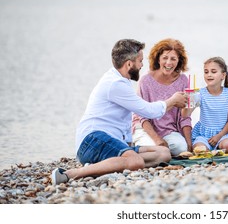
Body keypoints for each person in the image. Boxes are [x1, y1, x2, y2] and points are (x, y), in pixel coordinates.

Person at [51, 39, 188, 185]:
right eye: (140, 61)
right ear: (129, 64)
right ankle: (70, 174)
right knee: (135, 162)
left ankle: (110, 164)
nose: (142, 65)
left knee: (163, 154)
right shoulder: (115, 84)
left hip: (111, 142)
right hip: (92, 140)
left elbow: (125, 121)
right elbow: (147, 110)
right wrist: (173, 100)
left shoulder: (122, 80)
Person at [132, 38, 192, 156]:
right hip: (145, 128)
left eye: (173, 59)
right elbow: (142, 117)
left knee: (181, 148)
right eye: (165, 58)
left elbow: (184, 117)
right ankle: (135, 146)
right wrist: (158, 140)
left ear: (179, 61)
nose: (168, 63)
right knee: (156, 150)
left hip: (168, 129)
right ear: (158, 59)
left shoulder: (183, 81)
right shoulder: (146, 81)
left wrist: (189, 143)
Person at [183, 57, 228, 153]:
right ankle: (210, 152)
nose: (209, 75)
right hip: (203, 134)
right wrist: (189, 99)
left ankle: (218, 151)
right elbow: (185, 115)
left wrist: (219, 136)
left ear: (223, 75)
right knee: (199, 150)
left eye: (213, 71)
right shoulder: (200, 94)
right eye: (206, 72)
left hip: (223, 134)